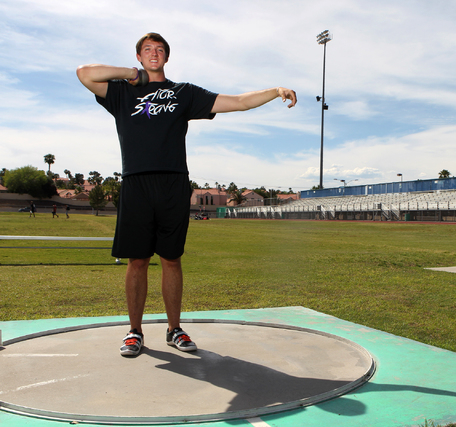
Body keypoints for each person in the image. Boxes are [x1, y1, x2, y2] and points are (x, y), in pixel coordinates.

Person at [77, 32, 297, 357]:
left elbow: (236, 102)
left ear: (167, 56)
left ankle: (174, 328)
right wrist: (129, 75)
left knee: (171, 259)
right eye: (147, 50)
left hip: (173, 184)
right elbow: (84, 73)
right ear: (139, 57)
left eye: (160, 49)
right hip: (137, 183)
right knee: (137, 261)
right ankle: (134, 331)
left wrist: (275, 90)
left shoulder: (183, 93)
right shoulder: (122, 92)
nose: (154, 53)